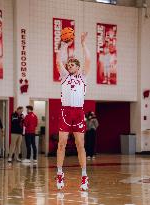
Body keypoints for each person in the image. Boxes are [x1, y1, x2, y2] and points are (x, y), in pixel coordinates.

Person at [56, 32, 90, 190]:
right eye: (68, 65)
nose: (68, 66)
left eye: (71, 65)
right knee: (61, 143)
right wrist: (63, 45)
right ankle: (59, 173)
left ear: (77, 67)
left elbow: (89, 60)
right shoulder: (64, 76)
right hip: (65, 112)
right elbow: (58, 61)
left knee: (80, 144)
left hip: (79, 112)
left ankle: (84, 176)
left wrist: (83, 44)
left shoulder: (82, 77)